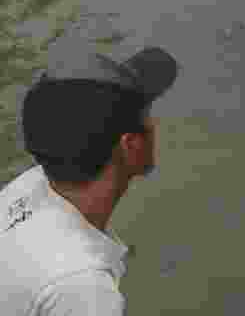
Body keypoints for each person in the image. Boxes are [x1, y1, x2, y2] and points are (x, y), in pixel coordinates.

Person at [0, 45, 179, 315]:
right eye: (147, 114)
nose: (154, 124)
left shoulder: (25, 187)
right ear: (130, 146)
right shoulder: (83, 288)